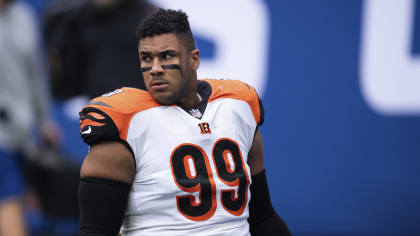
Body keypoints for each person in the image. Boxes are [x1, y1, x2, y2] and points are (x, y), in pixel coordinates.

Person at [78, 9, 291, 236]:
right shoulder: (125, 125)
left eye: (167, 56)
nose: (155, 69)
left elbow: (263, 218)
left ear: (194, 59)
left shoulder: (238, 108)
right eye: (146, 58)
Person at [0, 0, 60, 235]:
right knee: (9, 203)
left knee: (20, 203)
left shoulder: (24, 16)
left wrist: (45, 120)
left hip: (23, 134)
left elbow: (36, 73)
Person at [44, 0, 156, 99]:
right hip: (100, 112)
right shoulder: (76, 19)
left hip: (140, 112)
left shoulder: (151, 20)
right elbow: (66, 85)